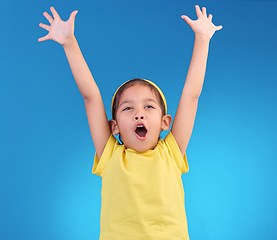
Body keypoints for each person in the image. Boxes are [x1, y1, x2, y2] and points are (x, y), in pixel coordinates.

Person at [38, 5, 222, 240]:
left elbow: (191, 95)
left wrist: (203, 39)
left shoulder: (171, 152)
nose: (139, 114)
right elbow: (91, 96)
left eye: (148, 106)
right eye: (128, 108)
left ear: (165, 122)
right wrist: (69, 43)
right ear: (114, 126)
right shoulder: (110, 154)